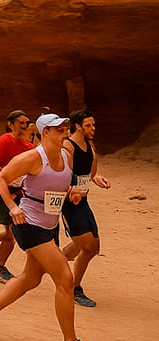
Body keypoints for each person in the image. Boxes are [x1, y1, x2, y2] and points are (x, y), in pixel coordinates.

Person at [0, 114, 106, 341]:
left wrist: (71, 193)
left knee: (31, 278)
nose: (64, 132)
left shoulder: (67, 156)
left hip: (49, 225)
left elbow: (58, 185)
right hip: (29, 224)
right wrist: (13, 207)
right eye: (58, 129)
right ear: (45, 132)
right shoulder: (32, 157)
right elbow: (1, 179)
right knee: (65, 279)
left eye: (65, 128)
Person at [61, 109, 110, 308]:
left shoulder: (89, 146)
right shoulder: (68, 146)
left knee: (93, 247)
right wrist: (70, 191)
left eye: (94, 125)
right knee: (88, 246)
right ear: (78, 126)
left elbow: (89, 173)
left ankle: (52, 260)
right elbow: (63, 174)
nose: (93, 128)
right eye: (89, 125)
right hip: (70, 203)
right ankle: (74, 287)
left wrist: (95, 178)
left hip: (83, 201)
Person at [0, 110, 35, 282]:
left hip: (19, 193)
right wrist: (8, 176)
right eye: (21, 123)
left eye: (27, 123)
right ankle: (0, 268)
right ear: (11, 124)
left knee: (14, 231)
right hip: (2, 191)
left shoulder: (28, 148)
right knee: (12, 233)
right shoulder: (4, 141)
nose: (25, 126)